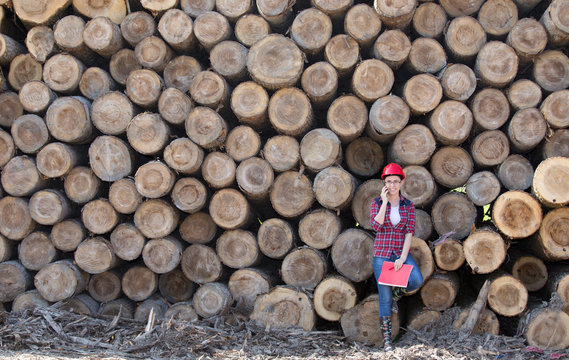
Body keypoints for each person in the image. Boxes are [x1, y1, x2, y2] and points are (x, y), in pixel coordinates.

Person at [370, 163, 424, 351]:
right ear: (384, 183)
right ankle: (387, 341)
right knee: (383, 298)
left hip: (399, 253)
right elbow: (376, 226)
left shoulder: (408, 205)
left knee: (416, 280)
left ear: (401, 183)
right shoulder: (376, 203)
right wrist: (384, 202)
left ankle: (396, 295)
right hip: (382, 254)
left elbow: (409, 232)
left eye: (395, 181)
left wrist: (402, 257)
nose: (392, 185)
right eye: (388, 181)